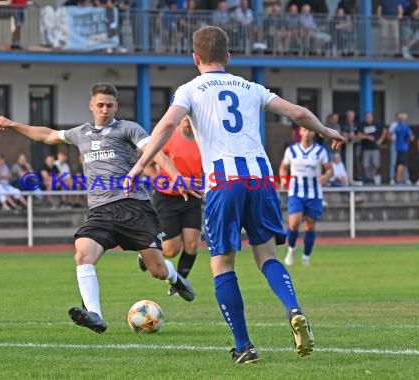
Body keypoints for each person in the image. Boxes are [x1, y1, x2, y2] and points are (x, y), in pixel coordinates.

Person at [124, 25, 344, 363]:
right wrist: (327, 131)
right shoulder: (250, 87)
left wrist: (140, 166)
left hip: (224, 183)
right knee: (267, 256)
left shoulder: (190, 89)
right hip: (261, 179)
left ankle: (244, 346)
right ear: (228, 57)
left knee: (223, 264)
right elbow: (298, 114)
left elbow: (167, 125)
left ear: (195, 57)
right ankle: (294, 308)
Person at [0, 83, 198, 334]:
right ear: (91, 106)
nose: (104, 109)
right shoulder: (81, 133)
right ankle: (95, 315)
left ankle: (175, 279)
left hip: (135, 208)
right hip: (100, 211)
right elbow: (47, 135)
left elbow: (156, 153)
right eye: (100, 105)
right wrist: (13, 125)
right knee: (83, 254)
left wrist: (175, 177)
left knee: (157, 269)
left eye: (110, 105)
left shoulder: (128, 128)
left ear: (116, 107)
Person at [140, 116, 204, 296]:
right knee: (170, 250)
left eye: (191, 116)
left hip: (192, 196)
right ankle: (144, 252)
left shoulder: (204, 139)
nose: (187, 120)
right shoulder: (167, 137)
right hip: (167, 198)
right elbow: (147, 166)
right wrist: (161, 182)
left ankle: (179, 285)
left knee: (192, 244)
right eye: (184, 116)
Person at [279, 128, 333, 267]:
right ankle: (291, 249)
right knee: (294, 222)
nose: (308, 133)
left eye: (310, 131)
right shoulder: (292, 151)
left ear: (314, 133)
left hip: (314, 193)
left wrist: (326, 176)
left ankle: (306, 256)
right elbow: (283, 167)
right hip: (296, 192)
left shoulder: (320, 151)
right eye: (305, 130)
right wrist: (284, 179)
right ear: (300, 132)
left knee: (310, 225)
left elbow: (329, 169)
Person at [357, 112, 388, 185]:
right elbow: (359, 135)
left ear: (372, 117)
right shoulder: (362, 125)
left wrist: (381, 140)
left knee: (376, 164)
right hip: (366, 148)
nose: (368, 118)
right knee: (365, 164)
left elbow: (385, 130)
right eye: (367, 117)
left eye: (369, 117)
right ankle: (368, 178)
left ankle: (372, 177)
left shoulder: (376, 124)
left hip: (375, 147)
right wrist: (367, 137)